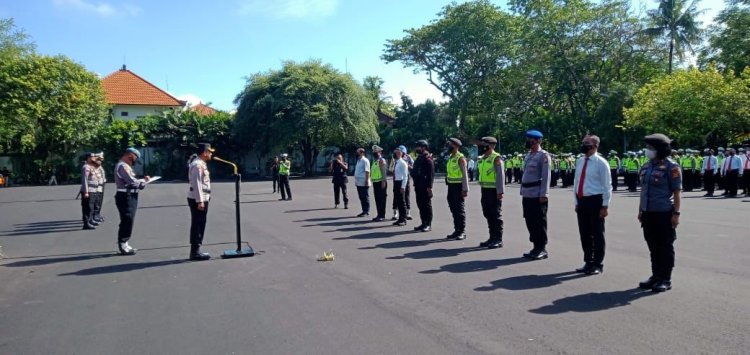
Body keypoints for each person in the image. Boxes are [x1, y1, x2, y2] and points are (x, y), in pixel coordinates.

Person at [638, 133, 682, 292]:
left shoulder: (672, 167)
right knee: (653, 246)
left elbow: (677, 192)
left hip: (664, 213)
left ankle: (665, 278)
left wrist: (676, 214)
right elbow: (644, 190)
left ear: (660, 150)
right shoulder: (647, 165)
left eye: (650, 148)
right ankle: (655, 275)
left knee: (665, 246)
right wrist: (641, 210)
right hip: (648, 212)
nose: (647, 150)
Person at [573, 135, 612, 275]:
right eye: (583, 142)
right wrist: (576, 201)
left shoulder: (601, 162)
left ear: (595, 145)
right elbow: (577, 183)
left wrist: (605, 206)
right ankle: (588, 261)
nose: (583, 145)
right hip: (582, 201)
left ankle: (597, 264)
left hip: (595, 201)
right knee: (584, 233)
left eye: (586, 143)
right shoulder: (580, 161)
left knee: (597, 233)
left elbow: (607, 186)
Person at [520, 130, 551, 260]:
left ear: (537, 141)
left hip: (537, 194)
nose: (528, 142)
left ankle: (542, 248)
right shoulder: (529, 155)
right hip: (527, 193)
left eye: (530, 139)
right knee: (529, 221)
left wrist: (544, 194)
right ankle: (535, 247)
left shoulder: (543, 156)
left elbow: (546, 176)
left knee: (539, 222)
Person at [114, 148, 150, 255]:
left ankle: (125, 243)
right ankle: (123, 244)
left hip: (129, 195)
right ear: (130, 155)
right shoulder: (123, 166)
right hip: (126, 195)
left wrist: (143, 180)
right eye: (135, 158)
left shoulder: (125, 166)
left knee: (129, 219)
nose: (134, 161)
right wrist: (143, 183)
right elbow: (131, 182)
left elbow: (133, 180)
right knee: (127, 219)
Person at [477, 137, 505, 249]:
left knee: (495, 214)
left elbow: (500, 175)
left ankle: (498, 239)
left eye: (485, 143)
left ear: (492, 145)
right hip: (485, 189)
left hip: (494, 190)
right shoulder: (482, 158)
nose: (483, 145)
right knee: (487, 213)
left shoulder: (496, 157)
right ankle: (492, 237)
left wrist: (500, 191)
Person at [187, 143, 214, 261]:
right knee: (198, 224)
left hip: (202, 197)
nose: (211, 154)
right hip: (197, 198)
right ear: (204, 152)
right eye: (209, 151)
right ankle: (195, 252)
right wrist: (200, 201)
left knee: (200, 223)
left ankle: (196, 250)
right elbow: (197, 184)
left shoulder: (201, 164)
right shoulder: (197, 165)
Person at [445, 138, 469, 240]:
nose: (449, 145)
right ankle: (457, 230)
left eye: (450, 144)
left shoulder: (460, 158)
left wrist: (465, 189)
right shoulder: (451, 157)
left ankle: (462, 231)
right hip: (451, 186)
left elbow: (464, 175)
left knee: (459, 209)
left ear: (456, 145)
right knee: (453, 208)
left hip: (458, 186)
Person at [411, 140, 434, 232]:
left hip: (425, 186)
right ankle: (423, 222)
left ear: (424, 147)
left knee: (426, 205)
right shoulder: (419, 158)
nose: (417, 149)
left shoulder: (428, 158)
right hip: (418, 184)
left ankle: (428, 224)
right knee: (420, 204)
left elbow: (431, 174)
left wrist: (429, 187)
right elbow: (415, 170)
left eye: (418, 147)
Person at [391, 145, 414, 221]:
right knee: (397, 199)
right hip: (396, 181)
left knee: (403, 199)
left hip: (402, 181)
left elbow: (406, 175)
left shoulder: (405, 161)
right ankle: (398, 216)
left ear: (401, 153)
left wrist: (403, 186)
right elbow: (391, 169)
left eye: (396, 153)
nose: (394, 154)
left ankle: (404, 217)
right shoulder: (396, 161)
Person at [80, 152, 99, 230]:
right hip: (89, 191)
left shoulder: (91, 167)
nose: (95, 158)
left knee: (91, 207)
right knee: (87, 207)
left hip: (93, 190)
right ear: (88, 158)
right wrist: (86, 192)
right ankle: (86, 223)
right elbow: (84, 180)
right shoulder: (86, 167)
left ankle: (90, 220)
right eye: (93, 157)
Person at [370, 146, 388, 221]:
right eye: (374, 151)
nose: (375, 153)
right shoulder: (374, 160)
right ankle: (379, 214)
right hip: (375, 182)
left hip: (381, 182)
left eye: (376, 151)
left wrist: (383, 181)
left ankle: (382, 215)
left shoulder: (381, 160)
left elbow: (383, 171)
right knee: (377, 199)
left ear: (380, 152)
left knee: (382, 199)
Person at [354, 148, 371, 217]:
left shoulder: (365, 160)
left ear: (362, 153)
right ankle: (363, 210)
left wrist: (366, 180)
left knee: (365, 196)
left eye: (358, 152)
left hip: (364, 182)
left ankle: (366, 211)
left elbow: (367, 171)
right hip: (359, 182)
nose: (356, 153)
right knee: (361, 197)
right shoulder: (358, 160)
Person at [92, 152, 106, 223]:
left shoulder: (99, 166)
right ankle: (95, 215)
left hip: (101, 184)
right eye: (99, 159)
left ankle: (97, 213)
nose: (101, 160)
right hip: (97, 185)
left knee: (100, 200)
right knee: (96, 201)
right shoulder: (94, 166)